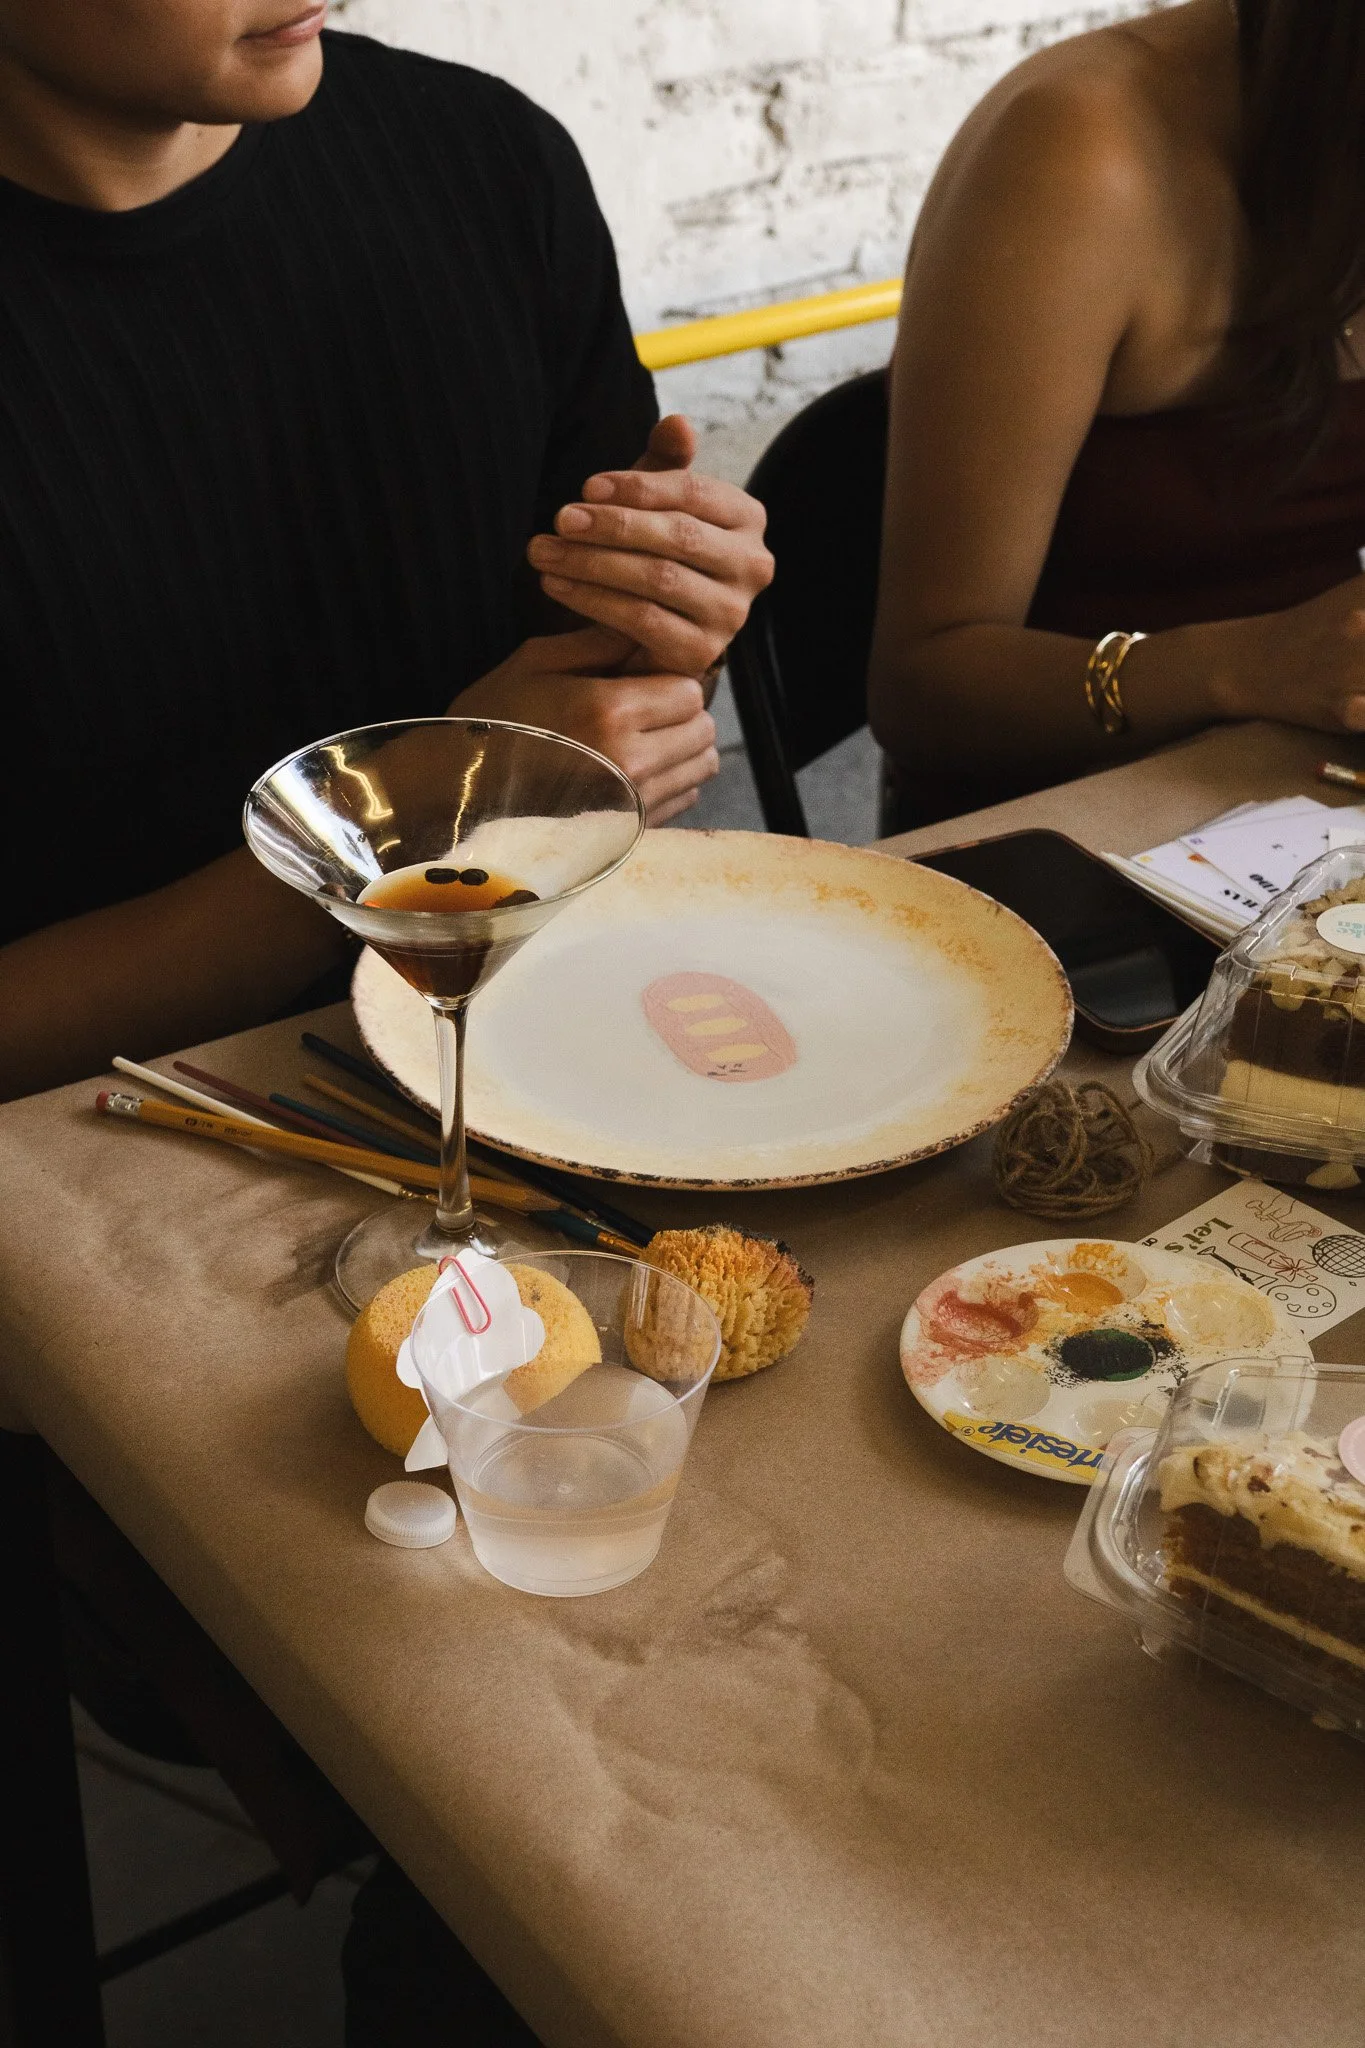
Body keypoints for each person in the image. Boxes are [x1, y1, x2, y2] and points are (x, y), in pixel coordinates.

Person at [0, 5, 771, 2039]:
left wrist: (673, 615)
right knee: (594, 1812)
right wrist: (434, 818)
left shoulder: (474, 163)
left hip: (545, 1096)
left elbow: (594, 709)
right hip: (114, 1193)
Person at [0, 0, 772, 1103]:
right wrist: (392, 827)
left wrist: (656, 624)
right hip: (98, 1140)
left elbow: (580, 738)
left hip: (541, 1048)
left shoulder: (483, 160)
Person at [870, 0, 1365, 827]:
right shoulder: (1083, 148)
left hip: (1307, 804)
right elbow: (922, 692)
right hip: (1080, 850)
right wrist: (1251, 661)